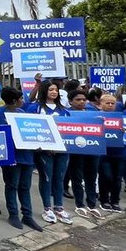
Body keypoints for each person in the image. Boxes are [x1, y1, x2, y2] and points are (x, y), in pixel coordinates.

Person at [0, 87, 42, 231]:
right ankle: (13, 214)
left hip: (27, 155)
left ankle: (27, 215)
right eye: (20, 99)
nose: (22, 101)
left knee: (25, 187)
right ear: (14, 100)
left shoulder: (22, 113)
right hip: (11, 156)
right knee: (12, 185)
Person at [29, 81, 72, 224]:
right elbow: (32, 128)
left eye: (56, 90)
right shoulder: (36, 108)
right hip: (44, 151)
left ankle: (59, 207)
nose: (54, 92)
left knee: (59, 178)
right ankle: (47, 208)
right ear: (44, 91)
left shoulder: (64, 110)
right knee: (46, 177)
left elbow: (71, 129)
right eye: (50, 89)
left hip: (62, 150)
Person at [65, 90, 102, 219]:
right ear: (70, 101)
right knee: (77, 178)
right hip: (76, 151)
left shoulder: (94, 113)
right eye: (78, 99)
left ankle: (92, 205)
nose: (81, 102)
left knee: (91, 178)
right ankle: (80, 204)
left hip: (93, 150)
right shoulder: (66, 114)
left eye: (83, 99)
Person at [97, 92, 126, 213]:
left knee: (117, 178)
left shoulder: (122, 117)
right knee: (106, 176)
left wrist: (124, 130)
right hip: (103, 153)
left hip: (120, 152)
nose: (110, 105)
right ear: (100, 104)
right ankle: (104, 200)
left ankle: (115, 201)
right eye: (107, 103)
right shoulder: (96, 117)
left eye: (112, 103)